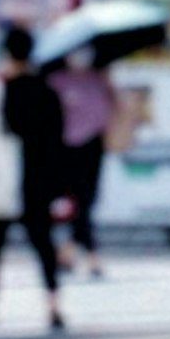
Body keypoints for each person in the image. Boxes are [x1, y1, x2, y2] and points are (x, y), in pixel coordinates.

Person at [0, 23, 69, 332]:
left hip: (0, 179)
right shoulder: (47, 93)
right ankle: (53, 304)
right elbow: (57, 142)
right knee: (43, 242)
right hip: (37, 179)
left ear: (6, 52)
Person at [49, 42, 120, 267]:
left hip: (93, 145)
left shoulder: (98, 79)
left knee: (88, 200)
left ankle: (72, 250)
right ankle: (87, 255)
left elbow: (113, 108)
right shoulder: (57, 81)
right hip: (66, 147)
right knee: (79, 201)